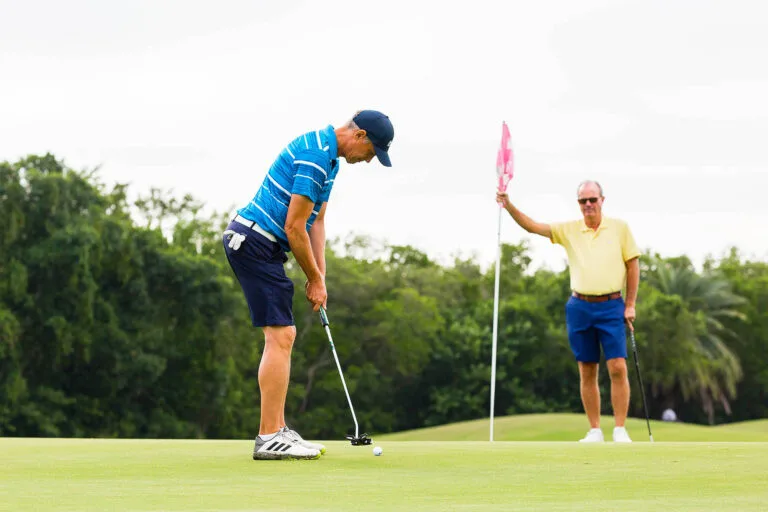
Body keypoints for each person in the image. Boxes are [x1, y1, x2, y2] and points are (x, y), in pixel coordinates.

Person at [223, 110, 394, 460]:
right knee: (281, 335)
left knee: (284, 335)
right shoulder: (316, 157)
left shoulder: (330, 160)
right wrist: (312, 278)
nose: (369, 160)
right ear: (359, 135)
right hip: (254, 240)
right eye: (373, 152)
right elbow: (293, 227)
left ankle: (277, 429)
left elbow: (317, 222)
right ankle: (269, 435)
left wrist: (322, 278)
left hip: (265, 245)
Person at [496, 180, 640, 443]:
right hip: (580, 307)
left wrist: (630, 304)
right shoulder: (569, 229)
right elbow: (533, 226)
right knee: (587, 368)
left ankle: (620, 429)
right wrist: (508, 205)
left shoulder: (620, 228)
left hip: (611, 305)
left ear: (602, 201)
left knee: (618, 367)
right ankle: (595, 430)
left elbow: (633, 265)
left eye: (592, 200)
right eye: (583, 201)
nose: (588, 205)